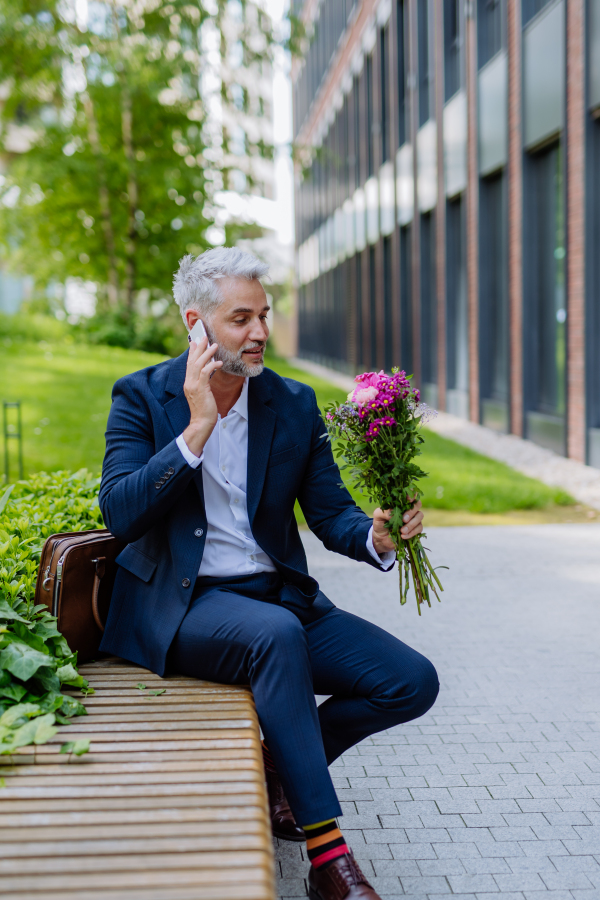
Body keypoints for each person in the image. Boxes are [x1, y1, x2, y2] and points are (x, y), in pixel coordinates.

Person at [99, 247, 439, 900]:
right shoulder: (142, 397)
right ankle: (329, 861)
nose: (259, 332)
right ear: (195, 324)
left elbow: (330, 512)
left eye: (264, 315)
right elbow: (121, 512)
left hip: (278, 600)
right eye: (240, 319)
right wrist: (197, 430)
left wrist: (373, 535)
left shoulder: (291, 401)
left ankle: (278, 765)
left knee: (410, 681)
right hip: (186, 606)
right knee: (274, 635)